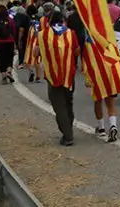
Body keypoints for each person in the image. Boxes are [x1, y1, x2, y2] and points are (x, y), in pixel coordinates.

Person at [36, 10, 79, 146]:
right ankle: (68, 129)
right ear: (63, 21)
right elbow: (77, 50)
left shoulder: (42, 35)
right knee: (68, 102)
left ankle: (67, 135)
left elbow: (35, 52)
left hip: (53, 76)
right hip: (69, 74)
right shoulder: (70, 34)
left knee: (59, 106)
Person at [0, 5, 17, 83]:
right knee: (9, 57)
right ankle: (9, 71)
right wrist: (14, 42)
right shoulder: (10, 20)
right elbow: (14, 32)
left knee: (1, 59)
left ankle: (3, 76)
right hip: (9, 41)